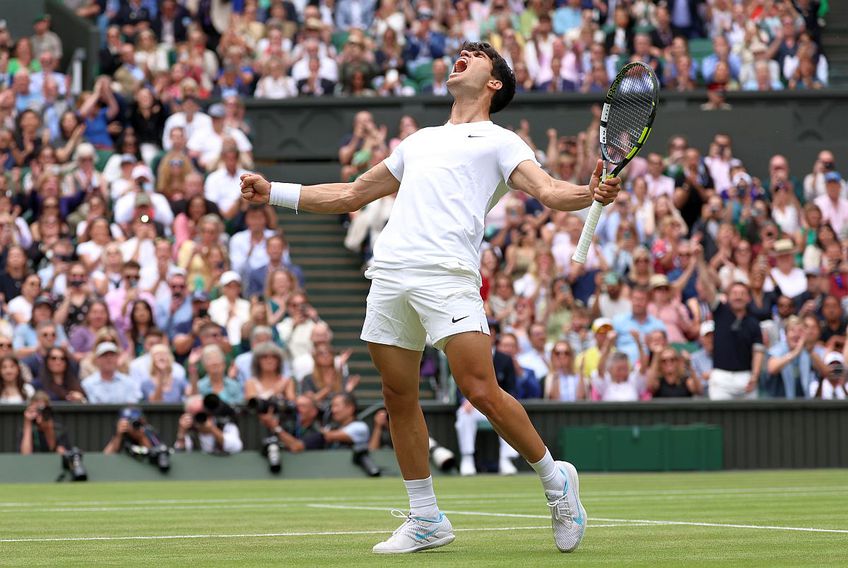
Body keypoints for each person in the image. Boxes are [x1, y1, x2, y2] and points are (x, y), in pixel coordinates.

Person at [240, 41, 621, 554]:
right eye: (462, 51)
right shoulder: (417, 142)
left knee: (481, 391)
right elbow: (352, 194)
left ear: (494, 83)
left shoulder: (501, 141)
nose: (462, 54)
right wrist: (275, 192)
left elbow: (550, 191)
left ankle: (557, 482)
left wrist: (588, 192)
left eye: (478, 54)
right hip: (392, 273)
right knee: (399, 398)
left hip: (448, 276)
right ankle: (425, 517)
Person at [698, 251, 765, 400]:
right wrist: (699, 261)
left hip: (746, 377)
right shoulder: (720, 311)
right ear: (727, 297)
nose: (738, 296)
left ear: (748, 298)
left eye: (742, 293)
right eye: (734, 293)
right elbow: (707, 286)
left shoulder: (753, 323)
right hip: (721, 377)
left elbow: (758, 352)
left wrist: (754, 376)